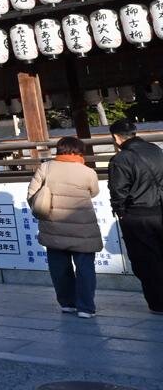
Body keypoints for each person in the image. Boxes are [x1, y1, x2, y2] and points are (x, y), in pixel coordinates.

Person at [27, 136, 102, 318]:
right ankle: (86, 307)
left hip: (54, 226)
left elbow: (32, 194)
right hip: (83, 228)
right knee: (85, 268)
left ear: (59, 150)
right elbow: (94, 192)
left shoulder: (46, 167)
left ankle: (68, 303)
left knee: (59, 267)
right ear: (79, 151)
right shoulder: (87, 171)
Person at [107, 121, 163, 313]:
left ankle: (158, 303)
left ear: (115, 137)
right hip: (160, 209)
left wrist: (121, 213)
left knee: (145, 260)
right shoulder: (155, 150)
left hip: (138, 216)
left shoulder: (121, 159)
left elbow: (118, 191)